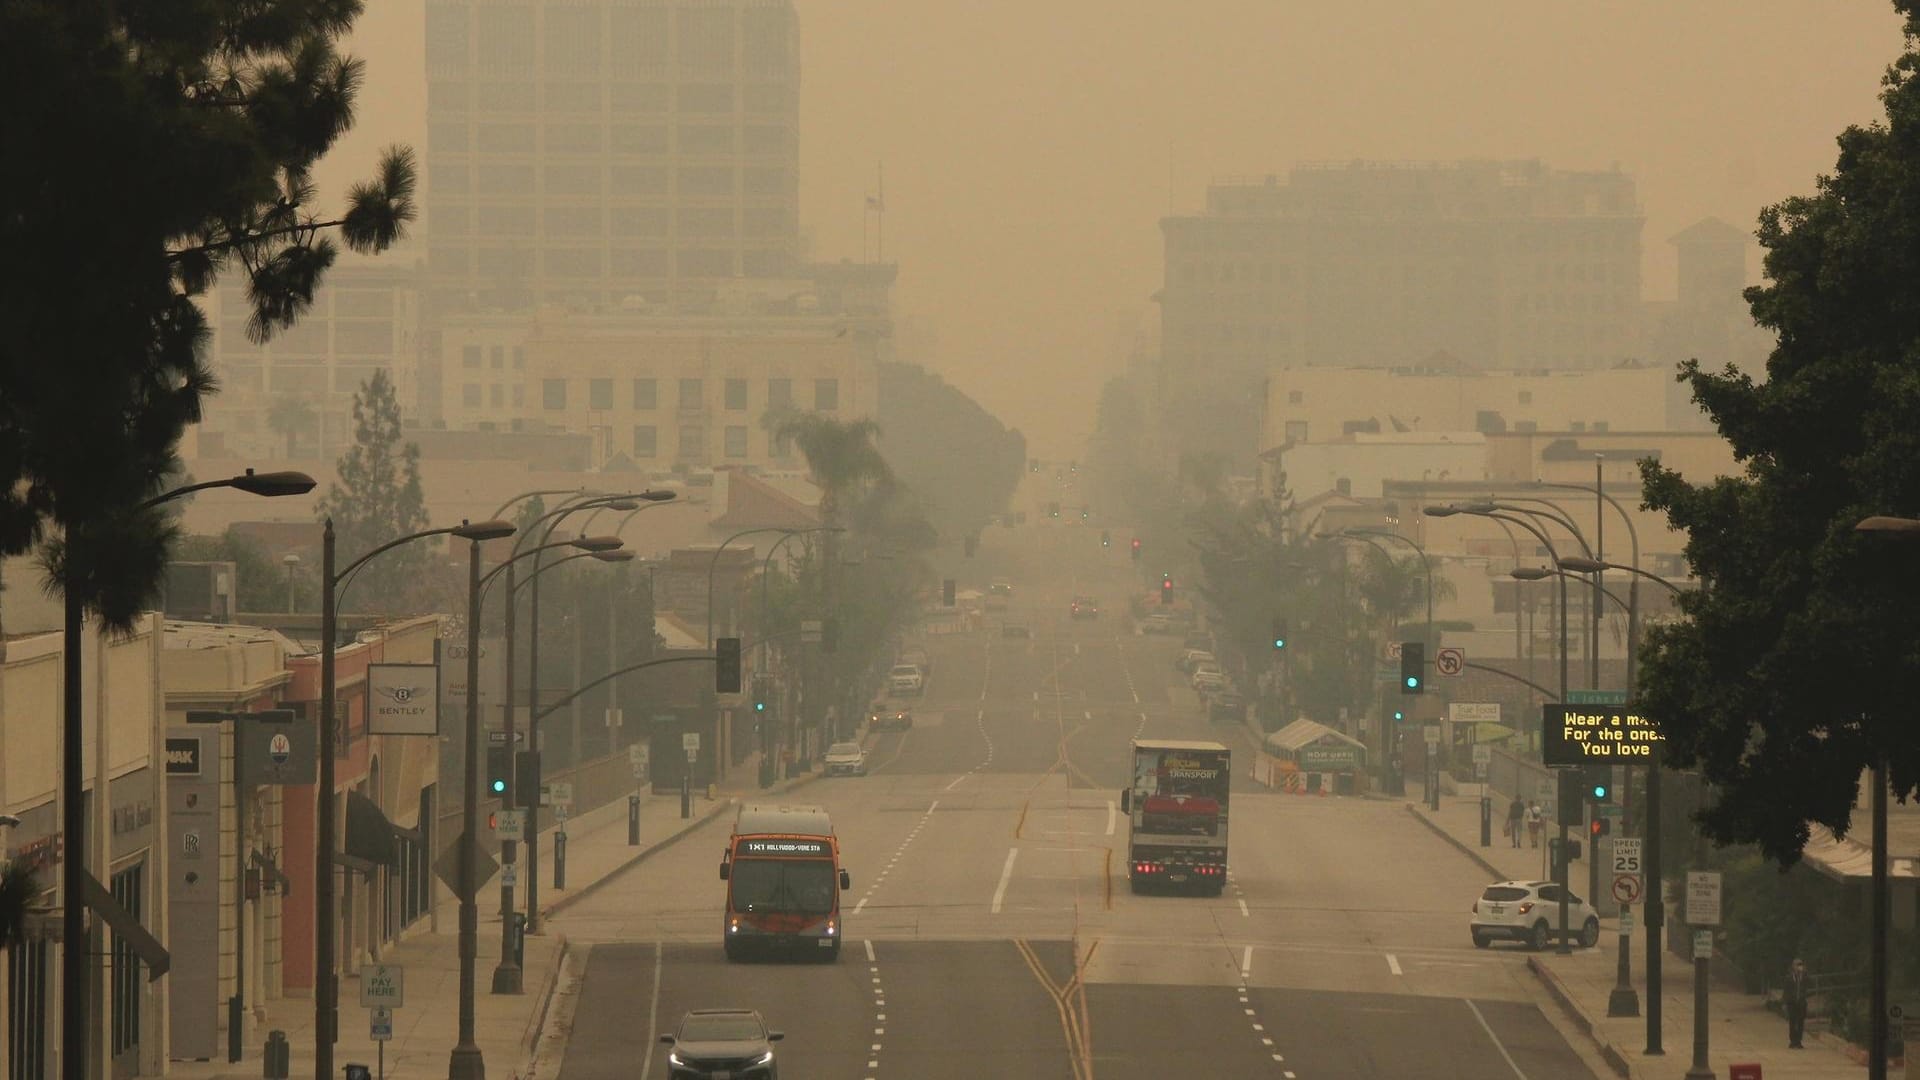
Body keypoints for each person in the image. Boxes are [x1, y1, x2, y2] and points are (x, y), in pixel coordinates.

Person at [1783, 957, 1810, 1048]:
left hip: (1801, 1002)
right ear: (1793, 966)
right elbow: (1786, 991)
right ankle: (1792, 1040)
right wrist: (1785, 1003)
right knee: (1792, 1021)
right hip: (1792, 1002)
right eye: (1797, 964)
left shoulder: (1805, 977)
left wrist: (1804, 973)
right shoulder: (1789, 978)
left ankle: (1798, 1041)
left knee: (1800, 1022)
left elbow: (1809, 985)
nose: (1799, 966)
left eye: (1800, 964)